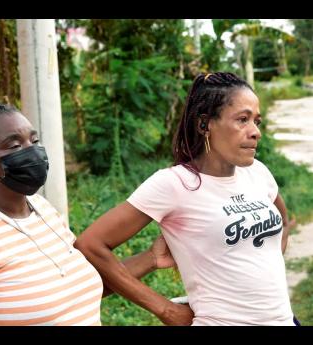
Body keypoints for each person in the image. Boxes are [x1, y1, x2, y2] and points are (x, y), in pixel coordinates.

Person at [0, 103, 176, 326]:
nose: (32, 152)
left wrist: (151, 258)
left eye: (34, 140)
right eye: (14, 145)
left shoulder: (42, 211)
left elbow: (76, 288)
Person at [74, 72, 297, 326]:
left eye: (256, 121)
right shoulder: (175, 184)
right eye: (242, 120)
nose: (255, 132)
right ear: (205, 125)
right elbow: (91, 244)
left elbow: (282, 220)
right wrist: (166, 310)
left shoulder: (257, 172)